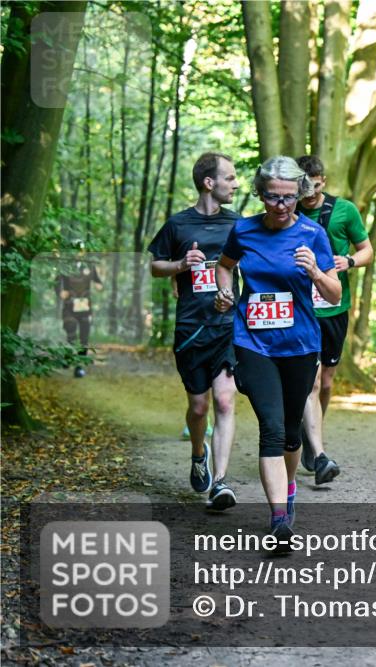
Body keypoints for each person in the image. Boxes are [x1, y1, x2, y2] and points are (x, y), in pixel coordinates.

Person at [214, 155, 340, 548]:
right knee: (270, 428)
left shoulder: (312, 235)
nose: (281, 206)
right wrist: (226, 291)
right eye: (273, 197)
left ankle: (288, 491)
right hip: (253, 341)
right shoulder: (244, 230)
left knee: (289, 433)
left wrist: (316, 273)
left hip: (300, 344)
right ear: (261, 194)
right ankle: (279, 520)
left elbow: (333, 292)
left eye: (289, 198)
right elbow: (224, 266)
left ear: (299, 195)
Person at [148, 152, 240, 509]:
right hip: (191, 327)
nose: (234, 184)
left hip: (228, 326)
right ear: (209, 182)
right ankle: (198, 453)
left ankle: (220, 482)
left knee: (225, 400)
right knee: (199, 409)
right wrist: (180, 264)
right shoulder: (178, 225)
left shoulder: (238, 225)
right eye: (229, 178)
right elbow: (156, 265)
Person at [294, 155, 373, 485]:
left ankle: (315, 431)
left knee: (325, 383)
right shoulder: (288, 212)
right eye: (303, 186)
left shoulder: (345, 210)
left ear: (323, 181)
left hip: (334, 308)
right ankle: (316, 447)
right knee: (310, 381)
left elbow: (368, 249)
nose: (309, 192)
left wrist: (350, 261)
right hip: (300, 308)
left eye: (314, 185)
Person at [57, 244, 103, 378]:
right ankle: (68, 357)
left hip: (85, 307)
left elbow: (99, 282)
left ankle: (79, 367)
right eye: (76, 250)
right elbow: (57, 283)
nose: (78, 253)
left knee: (84, 337)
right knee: (71, 332)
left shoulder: (90, 266)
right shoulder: (65, 267)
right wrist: (61, 292)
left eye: (81, 250)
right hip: (69, 306)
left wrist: (99, 286)